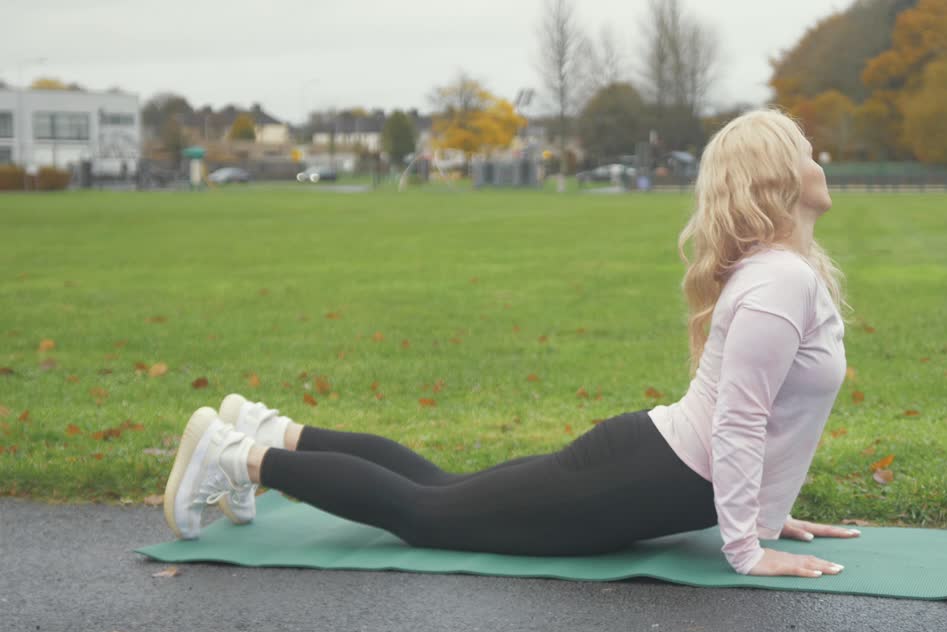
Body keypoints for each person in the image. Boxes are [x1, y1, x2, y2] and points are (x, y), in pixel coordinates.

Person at [161, 108, 860, 578]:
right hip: (642, 475)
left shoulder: (784, 275)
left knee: (441, 487)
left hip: (653, 466)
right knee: (426, 513)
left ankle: (271, 430)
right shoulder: (778, 285)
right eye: (803, 151)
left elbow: (767, 419)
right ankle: (238, 456)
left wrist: (769, 516)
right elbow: (739, 418)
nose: (815, 158)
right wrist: (746, 547)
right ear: (777, 177)